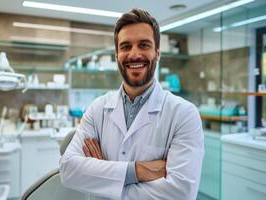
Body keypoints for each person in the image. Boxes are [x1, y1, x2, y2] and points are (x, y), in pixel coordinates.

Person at [60, 8, 204, 200]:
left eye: (144, 45)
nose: (134, 54)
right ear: (117, 54)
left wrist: (103, 179)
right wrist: (137, 171)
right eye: (126, 46)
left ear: (157, 53)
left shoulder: (184, 114)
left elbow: (181, 193)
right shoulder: (98, 109)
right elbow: (68, 169)